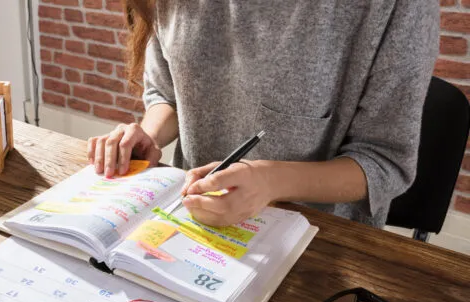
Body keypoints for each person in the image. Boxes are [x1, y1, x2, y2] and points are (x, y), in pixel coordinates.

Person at [87, 1, 439, 228]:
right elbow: (169, 93)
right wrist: (149, 134)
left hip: (317, 243)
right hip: (191, 224)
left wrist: (270, 182)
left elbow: (384, 162)